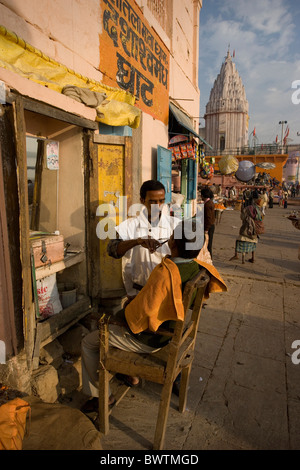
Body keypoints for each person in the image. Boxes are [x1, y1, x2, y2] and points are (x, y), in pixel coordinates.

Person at [81, 219, 227, 412]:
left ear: (172, 242)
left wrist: (125, 311)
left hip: (154, 339)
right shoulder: (197, 269)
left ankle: (103, 397)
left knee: (89, 342)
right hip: (176, 332)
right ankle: (129, 375)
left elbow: (142, 316)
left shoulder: (165, 272)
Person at [107, 180, 181, 303]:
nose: (158, 206)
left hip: (169, 294)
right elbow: (112, 250)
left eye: (161, 201)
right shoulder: (128, 226)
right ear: (142, 201)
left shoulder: (176, 225)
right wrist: (137, 241)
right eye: (152, 202)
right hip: (138, 295)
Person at [229, 191, 264, 264]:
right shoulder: (258, 209)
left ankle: (238, 256)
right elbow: (261, 217)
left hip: (246, 227)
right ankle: (253, 258)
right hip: (255, 229)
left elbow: (242, 217)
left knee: (240, 240)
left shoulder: (248, 208)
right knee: (253, 242)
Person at [201, 187, 215, 258]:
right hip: (210, 226)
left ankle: (209, 259)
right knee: (208, 244)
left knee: (207, 244)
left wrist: (206, 230)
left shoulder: (207, 205)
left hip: (209, 227)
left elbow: (208, 218)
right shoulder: (209, 203)